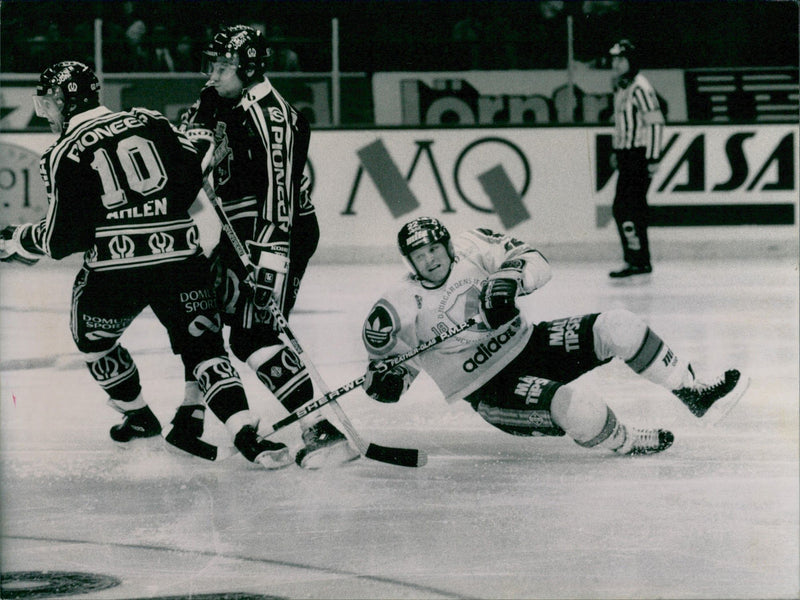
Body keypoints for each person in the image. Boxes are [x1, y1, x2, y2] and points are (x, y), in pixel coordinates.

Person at [0, 60, 292, 470]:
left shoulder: (62, 154)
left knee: (93, 341)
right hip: (180, 262)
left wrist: (16, 240)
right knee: (205, 348)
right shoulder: (149, 121)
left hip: (115, 276)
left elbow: (62, 240)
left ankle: (138, 416)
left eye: (49, 104)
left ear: (68, 102)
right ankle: (246, 431)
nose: (46, 114)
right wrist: (205, 114)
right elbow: (195, 167)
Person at [360, 217, 748, 455]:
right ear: (409, 263)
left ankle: (694, 392)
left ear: (446, 243)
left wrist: (510, 279)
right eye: (419, 255)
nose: (430, 259)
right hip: (491, 389)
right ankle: (625, 439)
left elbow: (535, 260)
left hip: (531, 344)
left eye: (433, 248)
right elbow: (393, 369)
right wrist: (387, 380)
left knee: (619, 324)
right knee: (581, 408)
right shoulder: (398, 305)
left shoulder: (473, 246)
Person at [179, 25, 359, 468]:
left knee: (253, 334)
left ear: (249, 68)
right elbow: (197, 139)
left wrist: (269, 262)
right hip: (237, 230)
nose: (213, 74)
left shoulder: (275, 118)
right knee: (202, 313)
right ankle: (191, 413)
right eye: (212, 65)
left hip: (277, 234)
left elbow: (280, 199)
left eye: (222, 67)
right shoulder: (216, 95)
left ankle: (320, 428)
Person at [608, 39, 664, 278]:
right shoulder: (622, 86)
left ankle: (637, 260)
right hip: (627, 154)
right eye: (614, 59)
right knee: (628, 208)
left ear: (632, 61)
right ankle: (638, 260)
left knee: (626, 208)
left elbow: (655, 123)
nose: (616, 64)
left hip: (638, 155)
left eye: (621, 59)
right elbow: (623, 124)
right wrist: (617, 149)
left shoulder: (640, 87)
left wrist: (652, 157)